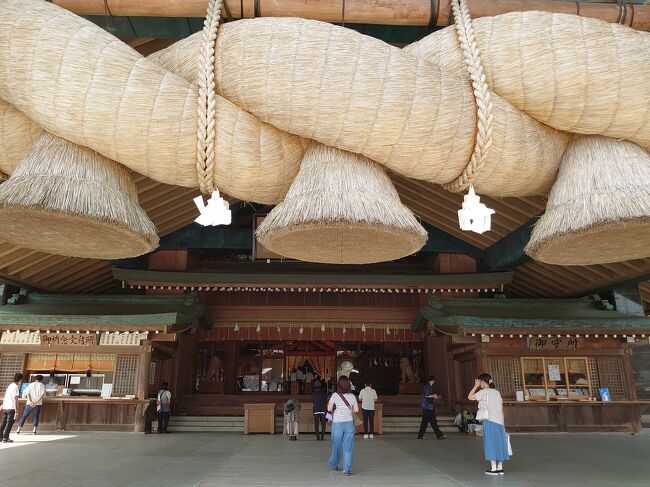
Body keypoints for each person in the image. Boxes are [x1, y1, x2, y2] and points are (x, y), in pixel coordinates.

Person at [468, 373, 509, 475]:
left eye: (480, 381)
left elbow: (470, 397)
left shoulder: (484, 392)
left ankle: (493, 468)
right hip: (499, 421)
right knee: (499, 443)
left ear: (483, 381)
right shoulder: (497, 392)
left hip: (489, 421)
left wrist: (475, 386)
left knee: (490, 443)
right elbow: (501, 408)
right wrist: (503, 423)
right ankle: (500, 467)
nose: (479, 383)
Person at [327, 376, 359, 476]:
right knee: (348, 447)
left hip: (337, 424)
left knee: (336, 445)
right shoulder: (353, 396)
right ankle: (347, 469)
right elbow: (356, 410)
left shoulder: (335, 395)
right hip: (349, 423)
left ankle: (334, 464)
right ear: (349, 385)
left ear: (339, 385)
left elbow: (329, 408)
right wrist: (348, 410)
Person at [417, 375, 446, 440]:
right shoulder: (427, 387)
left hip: (427, 407)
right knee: (433, 422)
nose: (434, 382)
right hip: (428, 407)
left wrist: (435, 396)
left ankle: (420, 435)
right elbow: (427, 396)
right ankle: (439, 435)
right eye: (433, 381)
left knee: (424, 422)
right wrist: (434, 396)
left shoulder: (428, 387)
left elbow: (429, 397)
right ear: (431, 380)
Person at [1, 373, 23, 443]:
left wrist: (3, 405)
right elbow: (16, 399)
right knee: (9, 424)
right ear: (20, 379)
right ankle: (5, 438)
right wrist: (16, 409)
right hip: (11, 408)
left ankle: (0, 437)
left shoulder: (10, 385)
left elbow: (6, 396)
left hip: (6, 407)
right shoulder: (16, 387)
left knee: (3, 423)